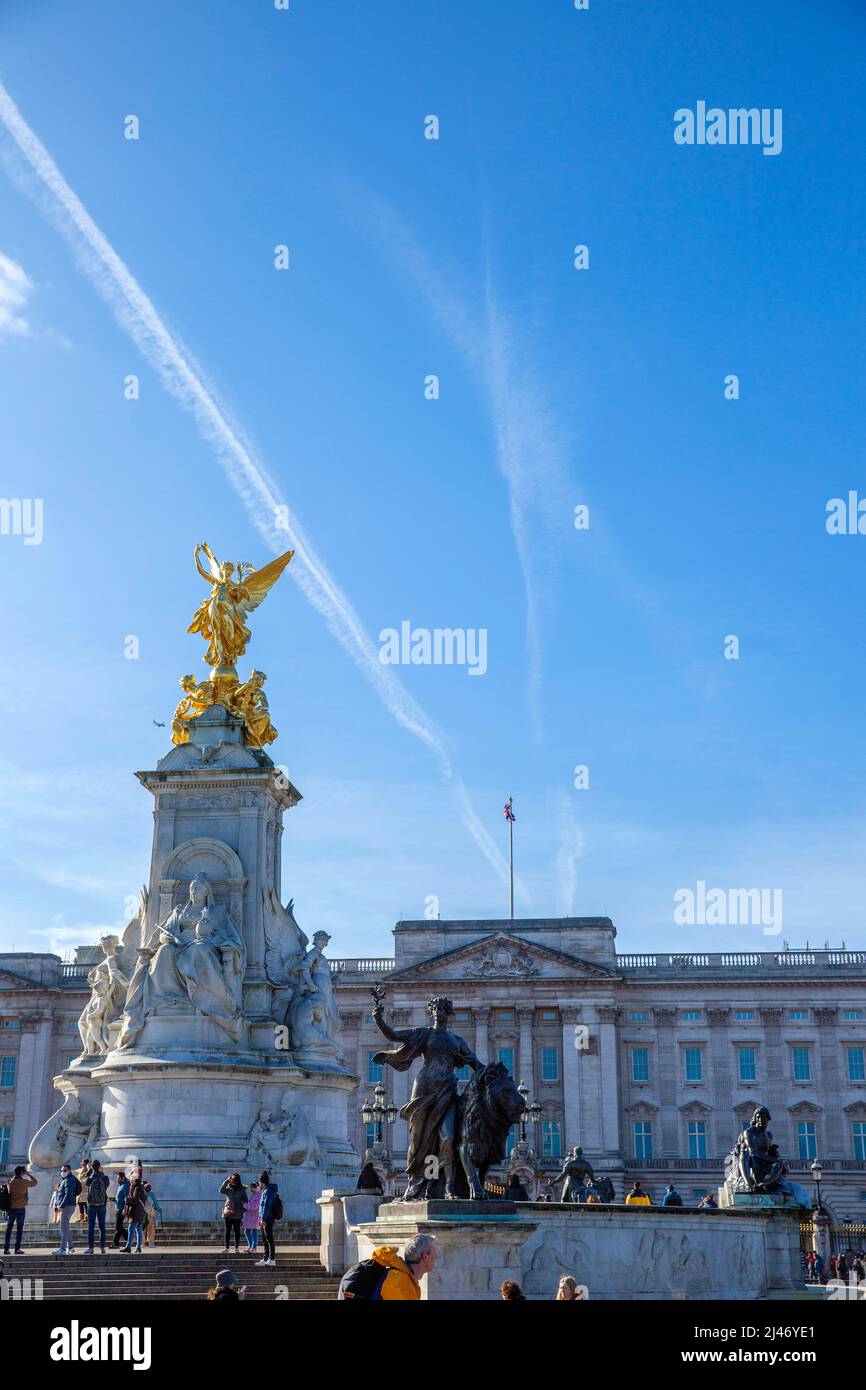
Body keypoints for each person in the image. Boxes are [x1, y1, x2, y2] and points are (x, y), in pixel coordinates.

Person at [339, 1234, 438, 1300]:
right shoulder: (400, 1281)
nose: (436, 1256)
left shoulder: (404, 1277)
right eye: (435, 1252)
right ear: (425, 1256)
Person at [3, 1166, 37, 1255]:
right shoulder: (24, 1182)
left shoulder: (11, 1182)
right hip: (21, 1209)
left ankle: (6, 1249)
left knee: (9, 1229)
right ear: (22, 1172)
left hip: (11, 1208)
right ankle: (17, 1249)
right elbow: (35, 1182)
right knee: (19, 1229)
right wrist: (28, 1174)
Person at [52, 1163, 81, 1255]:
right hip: (69, 1205)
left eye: (64, 1170)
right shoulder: (67, 1179)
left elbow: (68, 1194)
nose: (62, 1172)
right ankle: (71, 1247)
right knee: (66, 1227)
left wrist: (61, 1206)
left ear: (69, 1171)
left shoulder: (69, 1180)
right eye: (61, 1170)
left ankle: (62, 1249)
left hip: (67, 1206)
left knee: (63, 1228)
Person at [84, 1160, 109, 1255]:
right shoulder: (104, 1177)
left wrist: (90, 1171)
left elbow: (85, 1182)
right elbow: (107, 1185)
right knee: (102, 1227)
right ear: (99, 1166)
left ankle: (91, 1248)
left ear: (92, 1167)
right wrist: (101, 1172)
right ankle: (102, 1248)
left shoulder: (90, 1177)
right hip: (102, 1205)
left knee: (91, 1227)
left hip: (92, 1205)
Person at [220, 1173, 247, 1254]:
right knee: (227, 1230)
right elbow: (221, 1190)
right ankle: (227, 1247)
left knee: (237, 1231)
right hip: (228, 1212)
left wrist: (242, 1210)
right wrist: (226, 1181)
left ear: (237, 1181)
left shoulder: (242, 1190)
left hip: (237, 1214)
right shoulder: (228, 1188)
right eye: (231, 1179)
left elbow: (246, 1201)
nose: (232, 1181)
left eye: (233, 1180)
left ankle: (236, 1248)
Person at [256, 1170, 279, 1267]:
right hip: (264, 1217)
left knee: (269, 1238)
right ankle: (265, 1258)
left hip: (268, 1218)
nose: (258, 1184)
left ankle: (272, 1259)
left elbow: (267, 1206)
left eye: (259, 1182)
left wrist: (263, 1219)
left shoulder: (269, 1191)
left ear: (262, 1182)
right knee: (265, 1239)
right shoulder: (265, 1191)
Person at [123, 1177, 148, 1253]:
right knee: (139, 1230)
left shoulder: (137, 1188)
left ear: (135, 1181)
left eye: (132, 1180)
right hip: (141, 1212)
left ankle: (128, 1247)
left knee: (131, 1229)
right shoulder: (141, 1188)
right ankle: (138, 1247)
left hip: (136, 1212)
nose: (130, 1181)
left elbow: (135, 1200)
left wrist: (127, 1199)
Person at [112, 1172, 130, 1248]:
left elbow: (126, 1198)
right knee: (118, 1226)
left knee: (118, 1226)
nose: (117, 1179)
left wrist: (125, 1209)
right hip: (118, 1207)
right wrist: (113, 1199)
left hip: (121, 1208)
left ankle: (128, 1238)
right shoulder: (120, 1186)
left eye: (119, 1178)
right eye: (117, 1178)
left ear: (123, 1178)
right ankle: (115, 1243)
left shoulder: (125, 1185)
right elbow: (119, 1197)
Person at [243, 1182, 260, 1253]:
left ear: (257, 1187)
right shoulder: (254, 1194)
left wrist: (244, 1205)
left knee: (254, 1232)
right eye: (251, 1187)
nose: (251, 1189)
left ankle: (254, 1247)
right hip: (250, 1217)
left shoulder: (259, 1194)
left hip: (254, 1217)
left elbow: (254, 1206)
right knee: (247, 1231)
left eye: (253, 1187)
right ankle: (250, 1246)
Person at [143, 1182, 162, 1246]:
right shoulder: (151, 1194)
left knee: (142, 1229)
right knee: (150, 1229)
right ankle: (150, 1243)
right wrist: (159, 1210)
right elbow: (155, 1204)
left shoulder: (142, 1194)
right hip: (150, 1214)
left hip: (142, 1214)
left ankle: (142, 1243)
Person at [76, 1158, 91, 1224]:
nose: (83, 1166)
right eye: (82, 1165)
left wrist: (88, 1167)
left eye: (84, 1165)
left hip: (85, 1191)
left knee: (85, 1205)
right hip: (80, 1191)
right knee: (80, 1204)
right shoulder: (80, 1172)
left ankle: (87, 1218)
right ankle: (81, 1218)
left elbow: (90, 1172)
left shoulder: (89, 1172)